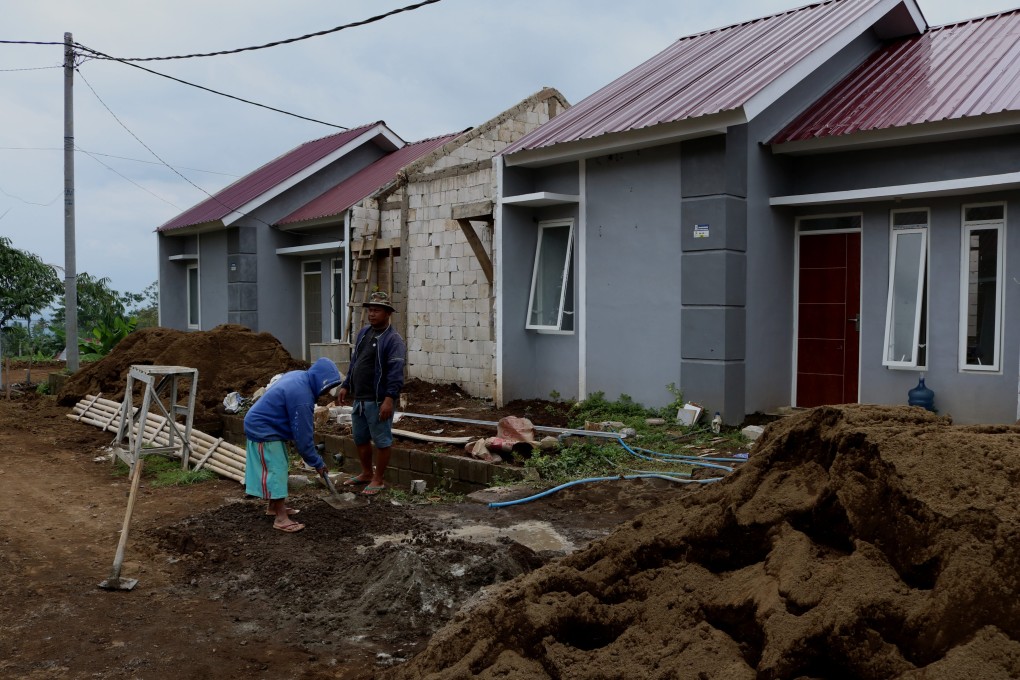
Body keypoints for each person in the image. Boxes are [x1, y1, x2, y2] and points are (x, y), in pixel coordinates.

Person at [244, 357, 342, 532]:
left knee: (279, 466)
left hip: (266, 424)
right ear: (320, 380)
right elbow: (303, 440)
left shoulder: (301, 376)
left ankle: (274, 507)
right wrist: (317, 462)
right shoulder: (302, 397)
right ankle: (281, 518)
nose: (326, 391)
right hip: (263, 428)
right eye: (326, 387)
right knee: (277, 469)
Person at [336, 291, 406, 496]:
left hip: (378, 399)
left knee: (382, 440)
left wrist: (389, 398)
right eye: (370, 310)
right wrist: (346, 384)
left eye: (376, 310)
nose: (372, 314)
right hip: (360, 398)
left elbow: (395, 372)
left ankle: (379, 479)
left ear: (387, 313)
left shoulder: (393, 340)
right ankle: (366, 473)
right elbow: (356, 362)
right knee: (360, 438)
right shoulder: (364, 333)